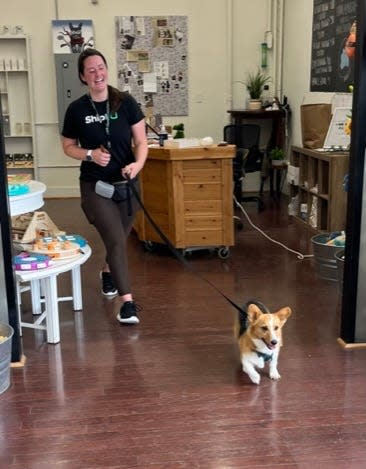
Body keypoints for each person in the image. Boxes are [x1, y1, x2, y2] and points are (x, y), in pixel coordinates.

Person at [61, 48, 148, 325]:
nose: (98, 73)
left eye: (101, 67)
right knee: (114, 238)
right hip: (94, 186)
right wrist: (90, 154)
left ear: (106, 69)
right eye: (91, 70)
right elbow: (67, 146)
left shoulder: (126, 102)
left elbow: (142, 142)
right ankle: (128, 303)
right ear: (82, 77)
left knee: (118, 241)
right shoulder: (77, 110)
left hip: (127, 184)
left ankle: (109, 272)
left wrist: (137, 165)